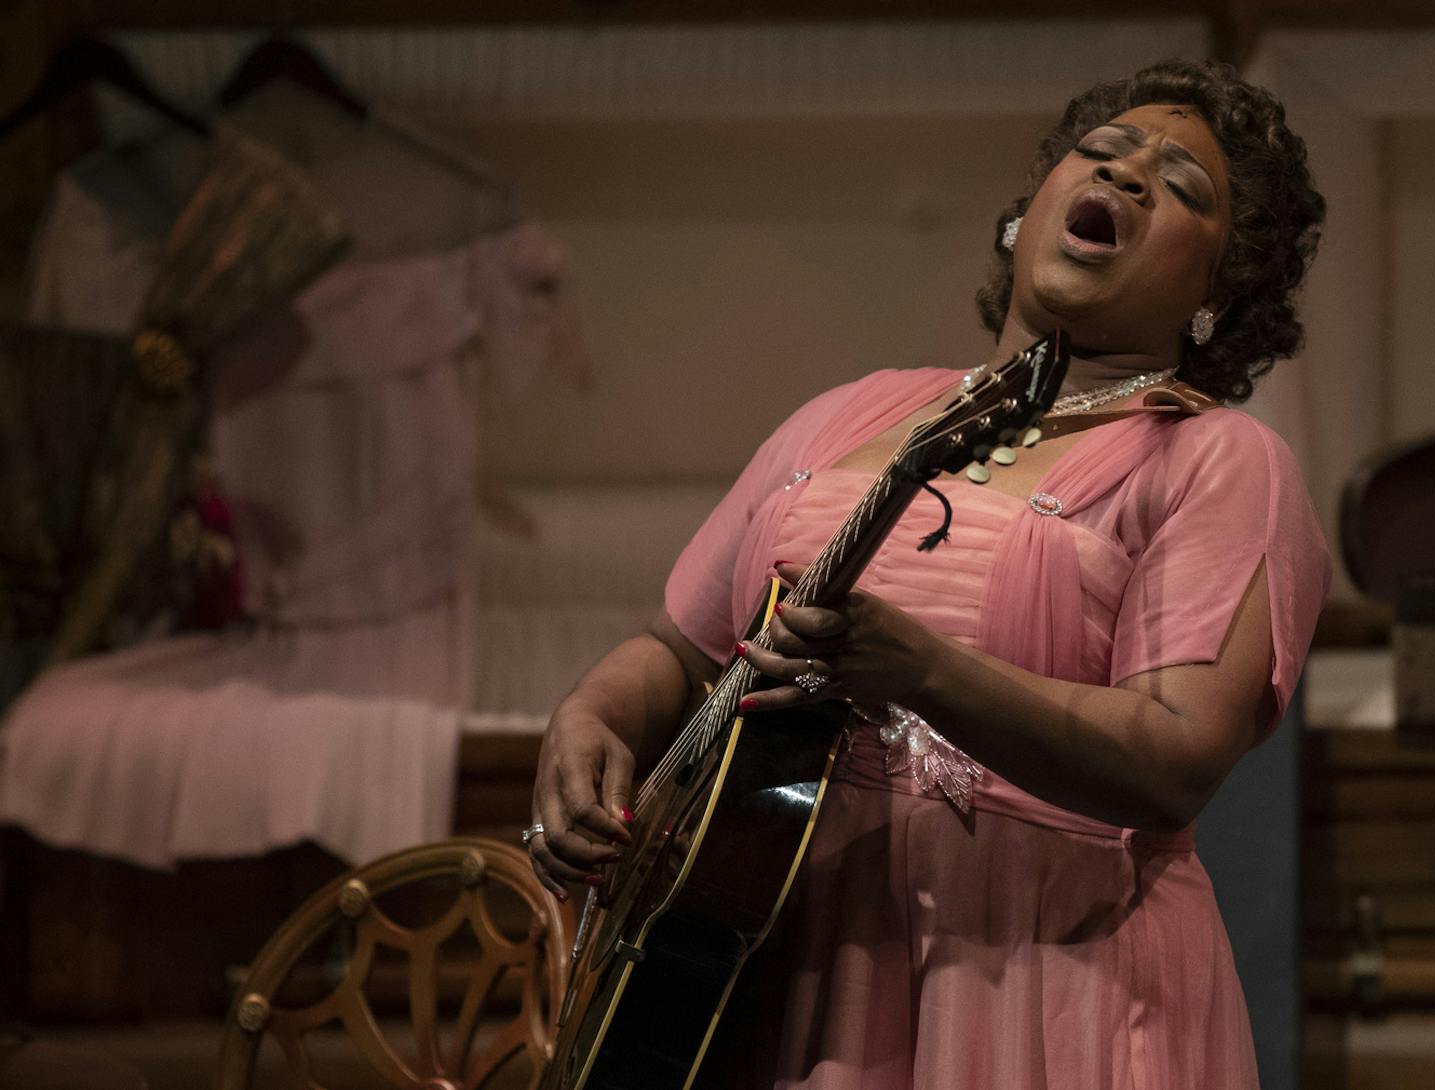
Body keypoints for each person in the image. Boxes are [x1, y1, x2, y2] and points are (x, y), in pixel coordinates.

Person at [527, 57, 1328, 1089]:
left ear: (1220, 294)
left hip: (1046, 992)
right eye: (1106, 155)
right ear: (1023, 214)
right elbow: (682, 651)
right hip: (778, 977)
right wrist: (592, 716)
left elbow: (1178, 752)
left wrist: (921, 669)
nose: (1129, 179)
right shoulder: (847, 413)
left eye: (1181, 188)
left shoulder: (1216, 460)